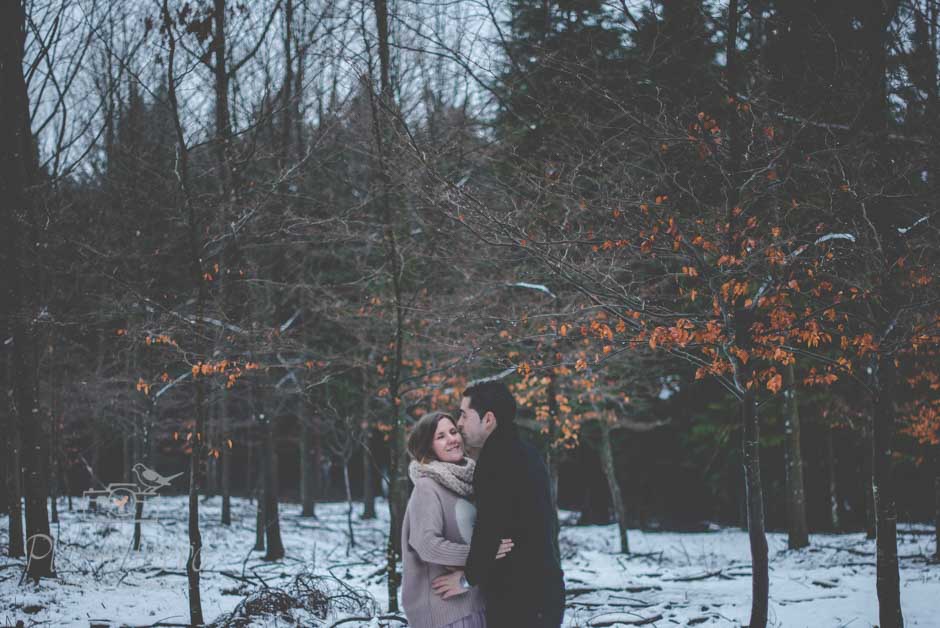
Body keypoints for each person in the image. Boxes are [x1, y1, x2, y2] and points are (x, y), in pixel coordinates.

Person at [434, 380, 566, 628]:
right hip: (541, 592)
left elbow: (489, 527)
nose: (459, 423)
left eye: (464, 415)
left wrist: (465, 579)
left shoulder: (496, 461)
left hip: (522, 599)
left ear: (488, 420)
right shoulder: (525, 452)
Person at [401, 411, 514, 628]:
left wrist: (475, 568)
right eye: (440, 436)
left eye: (453, 431)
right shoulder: (427, 487)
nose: (452, 439)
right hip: (445, 613)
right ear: (427, 446)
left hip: (475, 604)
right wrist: (484, 554)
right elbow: (427, 545)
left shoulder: (470, 484)